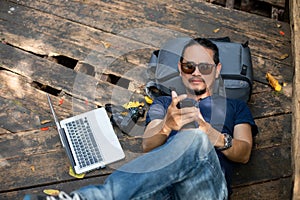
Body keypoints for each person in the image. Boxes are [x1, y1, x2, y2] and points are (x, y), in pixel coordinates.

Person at [24, 38, 258, 200]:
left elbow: (244, 153)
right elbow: (148, 144)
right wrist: (167, 125)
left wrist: (209, 133)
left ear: (217, 70)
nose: (196, 72)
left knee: (194, 138)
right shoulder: (165, 103)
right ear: (180, 68)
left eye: (204, 67)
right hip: (158, 190)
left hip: (203, 192)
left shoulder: (234, 106)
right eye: (189, 66)